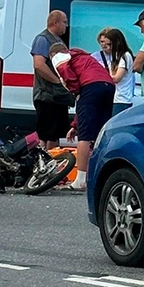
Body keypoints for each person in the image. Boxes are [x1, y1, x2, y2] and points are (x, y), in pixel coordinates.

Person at [49, 43, 115, 191]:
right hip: (108, 86)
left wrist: (74, 88)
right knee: (99, 134)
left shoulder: (59, 56)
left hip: (89, 87)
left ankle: (80, 180)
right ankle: (98, 176)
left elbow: (64, 69)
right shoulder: (85, 57)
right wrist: (75, 125)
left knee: (84, 137)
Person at [30, 10, 73, 149]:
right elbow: (39, 64)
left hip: (58, 97)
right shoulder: (43, 39)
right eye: (64, 22)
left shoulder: (58, 40)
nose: (66, 26)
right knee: (44, 135)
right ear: (55, 23)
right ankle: (41, 164)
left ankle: (52, 164)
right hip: (46, 96)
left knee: (56, 136)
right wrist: (57, 81)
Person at [92, 27, 135, 115]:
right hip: (115, 97)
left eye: (109, 44)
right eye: (103, 42)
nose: (106, 47)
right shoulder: (114, 56)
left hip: (122, 98)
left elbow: (116, 78)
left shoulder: (124, 56)